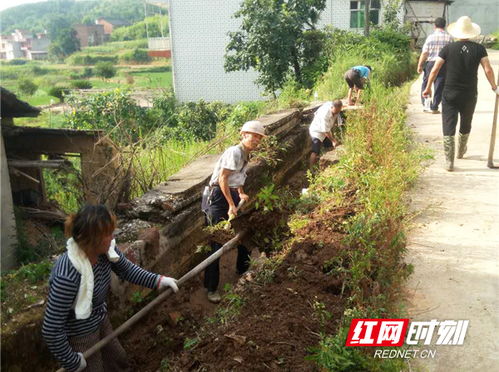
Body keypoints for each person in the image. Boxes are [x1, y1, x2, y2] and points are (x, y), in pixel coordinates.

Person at [42, 205, 179, 372]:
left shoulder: (106, 252)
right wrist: (71, 360)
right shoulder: (67, 275)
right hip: (80, 334)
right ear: (93, 240)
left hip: (100, 318)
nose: (112, 236)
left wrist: (159, 281)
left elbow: (127, 270)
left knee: (118, 359)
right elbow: (51, 328)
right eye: (108, 234)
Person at [423, 16, 498, 171]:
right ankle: (461, 150)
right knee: (466, 121)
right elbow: (488, 69)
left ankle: (449, 161)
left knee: (448, 123)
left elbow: (435, 69)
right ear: (472, 33)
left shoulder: (448, 48)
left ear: (457, 33)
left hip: (450, 92)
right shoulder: (479, 49)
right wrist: (494, 87)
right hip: (470, 93)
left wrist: (428, 87)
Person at [203, 120, 265, 303]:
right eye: (253, 136)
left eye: (259, 137)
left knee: (243, 232)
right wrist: (231, 204)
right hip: (218, 197)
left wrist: (241, 193)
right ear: (244, 135)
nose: (256, 140)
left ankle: (242, 269)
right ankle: (211, 288)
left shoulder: (246, 154)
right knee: (217, 243)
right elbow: (223, 179)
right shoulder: (234, 152)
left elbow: (235, 178)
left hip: (230, 195)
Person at [417, 17, 452, 114]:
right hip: (443, 64)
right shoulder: (449, 38)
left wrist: (420, 65)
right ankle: (434, 106)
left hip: (431, 63)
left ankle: (426, 105)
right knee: (439, 84)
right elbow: (451, 53)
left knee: (426, 83)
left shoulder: (430, 37)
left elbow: (425, 53)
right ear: (444, 26)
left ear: (434, 26)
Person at [309, 100, 345, 167]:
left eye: (338, 112)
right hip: (317, 131)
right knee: (315, 151)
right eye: (335, 112)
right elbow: (325, 131)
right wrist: (333, 140)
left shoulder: (334, 107)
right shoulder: (324, 114)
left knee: (330, 147)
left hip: (326, 130)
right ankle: (311, 169)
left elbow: (333, 123)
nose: (336, 114)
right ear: (332, 107)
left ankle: (325, 162)